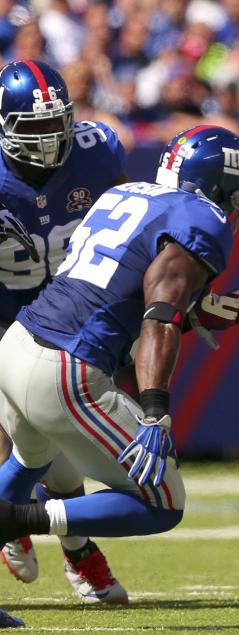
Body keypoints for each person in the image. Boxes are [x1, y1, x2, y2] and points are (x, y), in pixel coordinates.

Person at [0, 126, 239, 583]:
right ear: (218, 184)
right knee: (163, 501)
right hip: (64, 364)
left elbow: (120, 281)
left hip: (18, 342)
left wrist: (196, 307)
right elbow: (159, 315)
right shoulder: (203, 217)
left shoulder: (125, 194)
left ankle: (34, 527)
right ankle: (24, 522)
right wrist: (156, 411)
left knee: (27, 461)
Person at [0, 59, 130, 604]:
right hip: (7, 312)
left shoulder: (98, 152)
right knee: (22, 432)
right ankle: (77, 550)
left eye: (57, 125)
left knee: (59, 442)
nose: (50, 141)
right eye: (34, 129)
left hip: (74, 315)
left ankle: (26, 520)